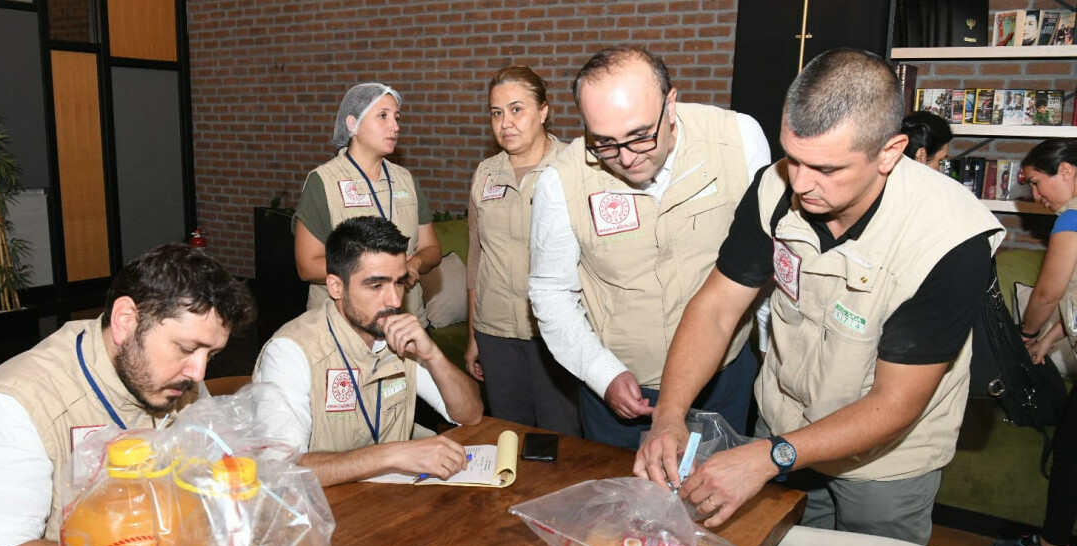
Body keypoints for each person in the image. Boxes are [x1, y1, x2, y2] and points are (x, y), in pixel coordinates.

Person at [637, 48, 1003, 546]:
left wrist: (769, 456)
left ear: (889, 152)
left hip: (888, 460)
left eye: (827, 168)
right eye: (792, 157)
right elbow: (717, 307)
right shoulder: (777, 187)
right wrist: (669, 415)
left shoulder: (951, 242)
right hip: (788, 424)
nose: (801, 183)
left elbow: (896, 404)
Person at [0, 243, 255, 546]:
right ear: (124, 320)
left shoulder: (169, 380)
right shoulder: (14, 407)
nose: (198, 371)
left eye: (213, 354)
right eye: (187, 348)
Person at [528, 45, 770, 448]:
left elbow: (764, 263)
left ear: (670, 104)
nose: (625, 158)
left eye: (640, 136)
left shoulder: (738, 140)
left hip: (723, 379)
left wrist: (771, 353)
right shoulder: (561, 181)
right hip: (624, 393)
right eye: (603, 142)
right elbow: (550, 292)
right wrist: (600, 371)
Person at [254, 216, 483, 487]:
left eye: (399, 282)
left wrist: (433, 355)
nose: (395, 301)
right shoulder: (290, 352)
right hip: (324, 512)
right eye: (376, 286)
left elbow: (471, 414)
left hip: (391, 504)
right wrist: (393, 454)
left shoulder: (401, 337)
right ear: (336, 287)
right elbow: (281, 470)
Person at [464, 65, 580, 435]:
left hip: (555, 332)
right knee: (508, 437)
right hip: (495, 333)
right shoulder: (486, 173)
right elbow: (476, 256)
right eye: (497, 113)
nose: (505, 123)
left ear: (543, 111)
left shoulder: (573, 167)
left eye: (517, 109)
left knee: (561, 438)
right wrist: (472, 334)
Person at [992, 138, 1077, 546]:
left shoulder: (1072, 221)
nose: (1037, 196)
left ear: (1066, 170)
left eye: (1039, 183)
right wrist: (1052, 338)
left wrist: (1024, 334)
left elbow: (1048, 293)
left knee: (1069, 449)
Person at [293, 82, 440, 327]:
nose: (395, 126)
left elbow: (432, 248)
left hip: (405, 324)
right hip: (344, 328)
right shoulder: (324, 182)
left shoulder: (406, 180)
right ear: (353, 125)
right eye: (382, 116)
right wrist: (380, 270)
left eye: (396, 117)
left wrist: (415, 264)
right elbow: (307, 266)